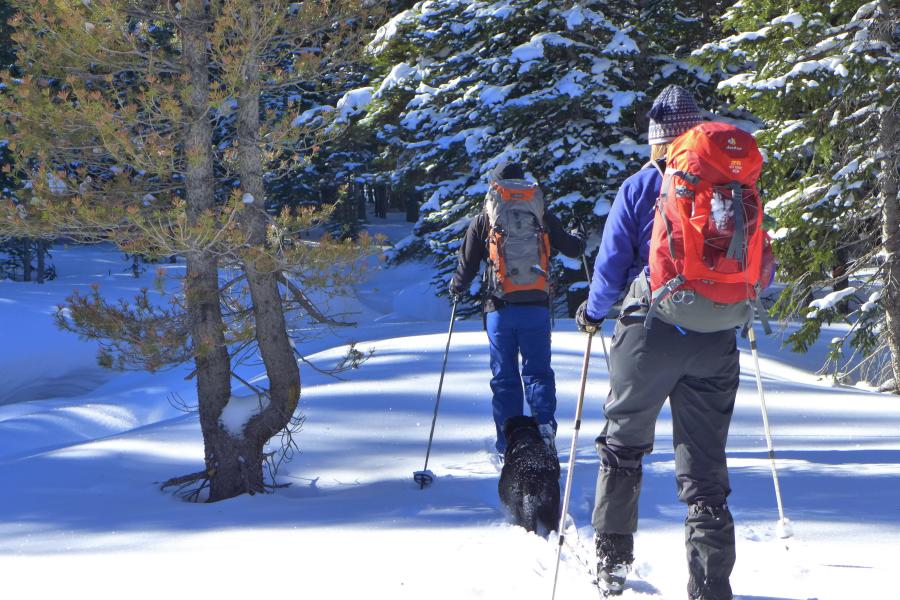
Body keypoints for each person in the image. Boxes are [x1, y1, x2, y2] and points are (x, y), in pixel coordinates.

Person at [575, 85, 741, 600]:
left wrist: (593, 312)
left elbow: (610, 265)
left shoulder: (641, 185)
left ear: (655, 141)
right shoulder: (729, 187)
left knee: (624, 445)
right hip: (716, 336)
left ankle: (612, 565)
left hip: (648, 332)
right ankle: (711, 585)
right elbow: (761, 262)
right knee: (705, 465)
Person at [450, 161, 585, 456]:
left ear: (495, 187)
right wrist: (578, 233)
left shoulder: (485, 219)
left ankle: (509, 444)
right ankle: (544, 429)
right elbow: (573, 249)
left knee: (505, 378)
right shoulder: (540, 213)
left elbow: (468, 265)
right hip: (536, 306)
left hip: (499, 309)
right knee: (538, 373)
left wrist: (457, 287)